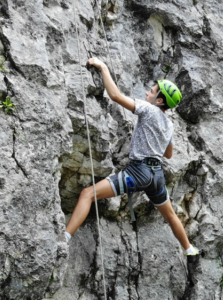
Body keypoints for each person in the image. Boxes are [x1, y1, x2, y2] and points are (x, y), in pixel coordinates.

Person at [63, 57, 199, 256]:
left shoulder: (149, 110)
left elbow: (116, 96)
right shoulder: (169, 125)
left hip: (139, 172)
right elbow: (168, 154)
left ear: (159, 100)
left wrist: (103, 67)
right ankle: (189, 248)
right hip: (157, 176)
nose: (147, 92)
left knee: (87, 194)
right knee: (170, 215)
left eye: (152, 91)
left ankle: (64, 238)